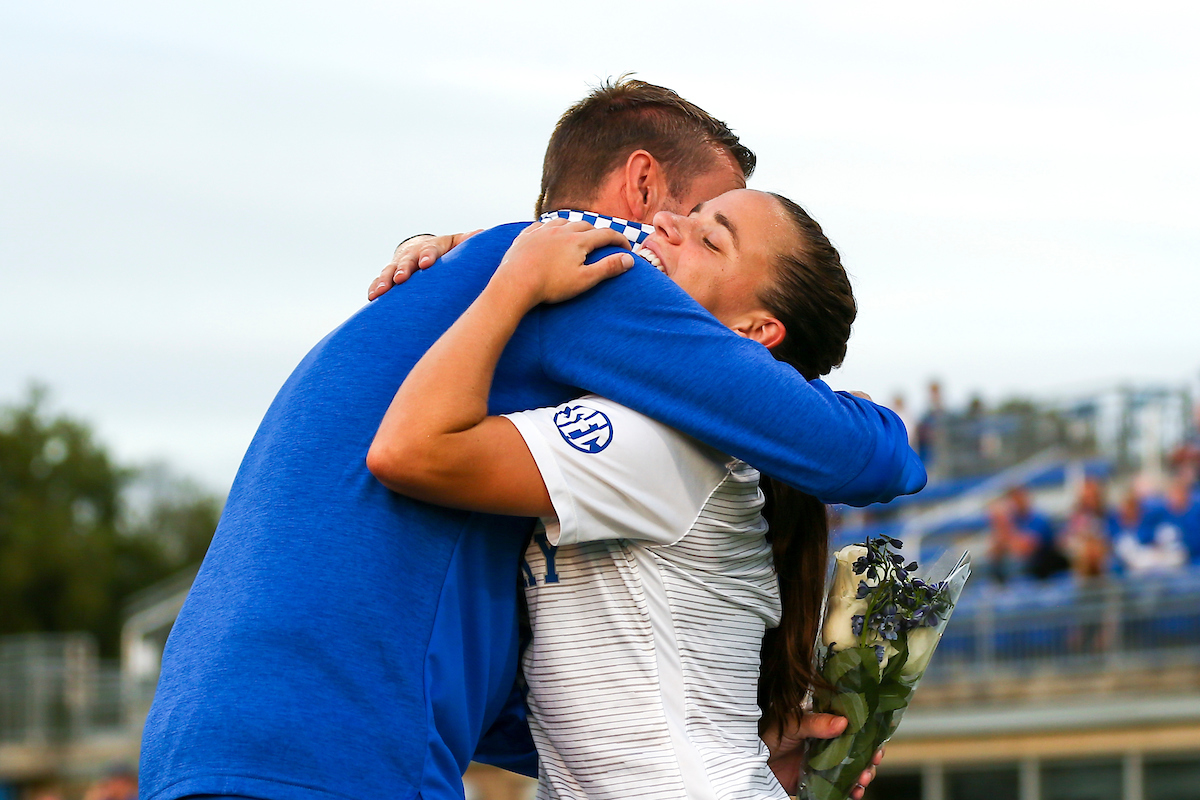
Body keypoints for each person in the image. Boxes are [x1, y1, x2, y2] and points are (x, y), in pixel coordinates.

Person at [139, 79, 923, 800]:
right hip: (338, 742)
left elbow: (563, 688)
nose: (674, 234)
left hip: (203, 732)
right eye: (706, 210)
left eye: (711, 238)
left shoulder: (494, 285)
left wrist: (733, 737)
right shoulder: (596, 279)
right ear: (642, 187)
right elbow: (868, 456)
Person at [368, 189, 860, 799]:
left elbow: (410, 450)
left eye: (712, 239)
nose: (666, 223)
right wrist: (463, 252)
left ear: (754, 331)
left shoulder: (661, 444)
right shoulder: (666, 436)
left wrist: (510, 283)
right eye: (691, 213)